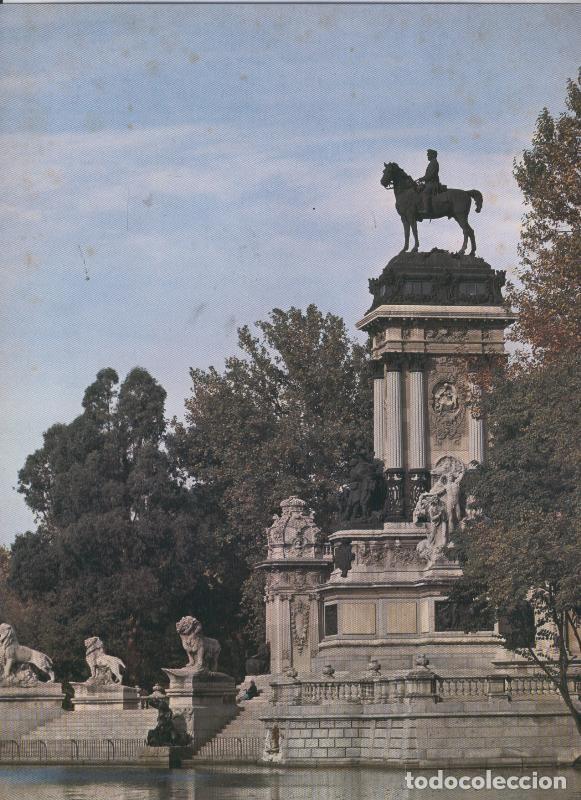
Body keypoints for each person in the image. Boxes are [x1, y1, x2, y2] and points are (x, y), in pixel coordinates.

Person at [416, 149, 440, 217]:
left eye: (428, 155)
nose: (427, 156)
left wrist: (422, 179)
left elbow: (430, 175)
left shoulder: (434, 163)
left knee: (425, 193)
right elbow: (428, 175)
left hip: (432, 183)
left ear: (433, 155)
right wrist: (422, 179)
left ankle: (427, 209)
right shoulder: (432, 163)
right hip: (429, 182)